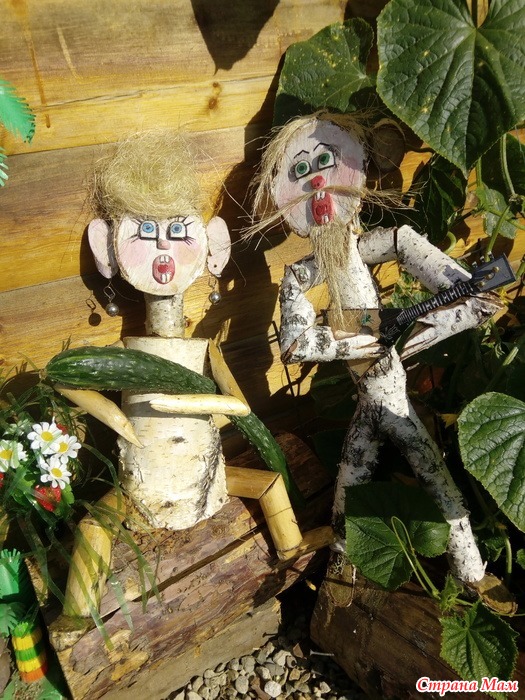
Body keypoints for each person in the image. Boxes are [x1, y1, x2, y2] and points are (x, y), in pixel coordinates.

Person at [250, 112, 502, 584]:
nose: (317, 181)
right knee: (369, 479)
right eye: (301, 170)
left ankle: (470, 575)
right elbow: (296, 343)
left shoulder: (387, 242)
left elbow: (475, 301)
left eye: (326, 162)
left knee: (427, 478)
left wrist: (415, 328)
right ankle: (344, 568)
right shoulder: (301, 275)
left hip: (390, 393)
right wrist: (373, 327)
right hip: (371, 398)